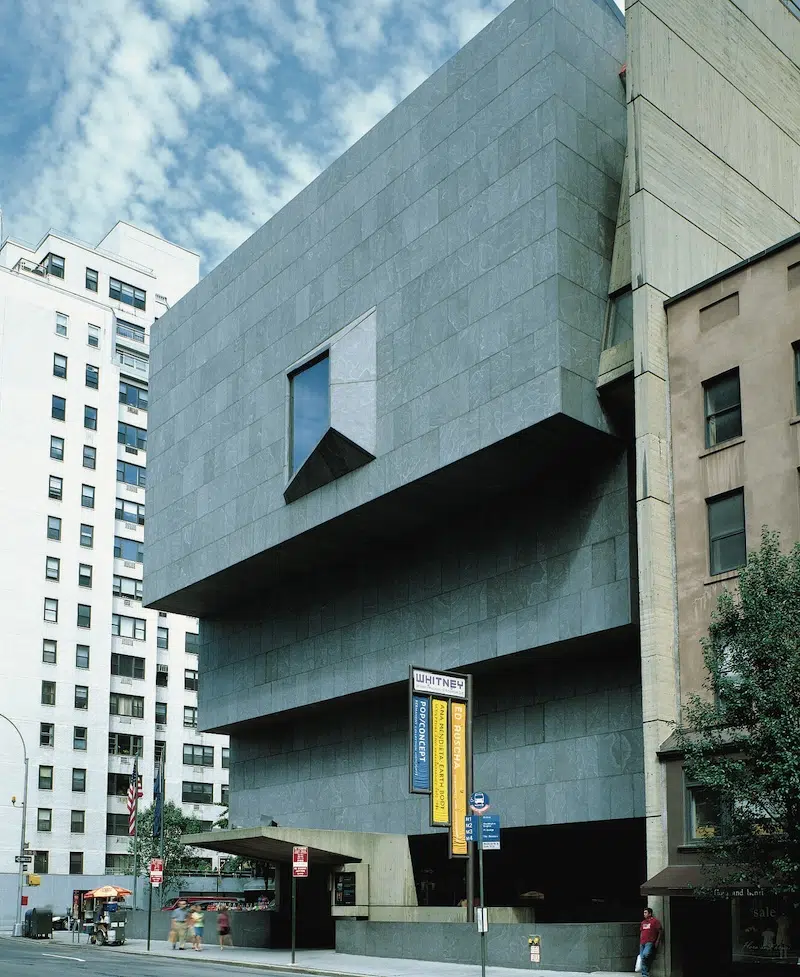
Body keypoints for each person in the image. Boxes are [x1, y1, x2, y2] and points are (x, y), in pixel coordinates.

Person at [639, 907, 662, 977]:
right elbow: (641, 932)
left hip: (650, 942)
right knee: (643, 957)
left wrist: (657, 941)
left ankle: (646, 970)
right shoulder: (643, 922)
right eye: (644, 913)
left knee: (646, 955)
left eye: (646, 913)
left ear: (650, 913)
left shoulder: (655, 921)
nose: (644, 914)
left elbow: (660, 931)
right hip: (642, 942)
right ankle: (644, 974)